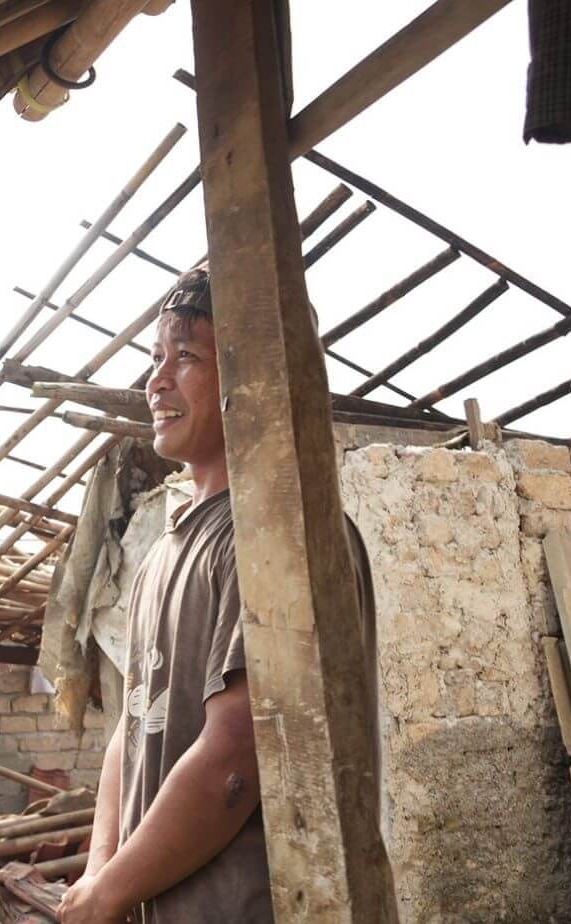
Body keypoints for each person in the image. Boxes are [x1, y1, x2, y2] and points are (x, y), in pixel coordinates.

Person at [55, 266, 380, 923]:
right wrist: (99, 873)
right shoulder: (161, 554)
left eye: (187, 356)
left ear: (249, 374)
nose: (156, 380)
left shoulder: (275, 535)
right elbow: (131, 726)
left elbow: (235, 753)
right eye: (154, 358)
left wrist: (111, 892)